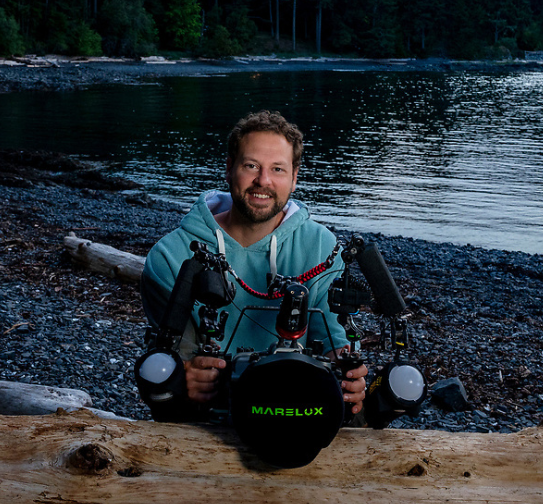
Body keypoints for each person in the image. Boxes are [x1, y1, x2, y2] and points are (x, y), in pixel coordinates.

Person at [140, 110, 367, 418]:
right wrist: (183, 375)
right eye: (251, 166)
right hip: (211, 413)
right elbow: (173, 357)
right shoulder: (170, 257)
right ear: (229, 168)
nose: (263, 181)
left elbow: (332, 338)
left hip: (299, 408)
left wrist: (349, 375)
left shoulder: (321, 247)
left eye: (277, 169)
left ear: (294, 178)